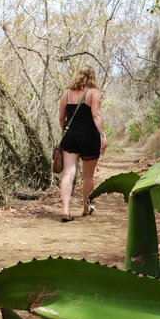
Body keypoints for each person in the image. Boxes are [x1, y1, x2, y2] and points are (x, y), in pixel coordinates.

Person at [57, 66, 107, 222]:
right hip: (89, 138)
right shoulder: (93, 93)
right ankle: (86, 206)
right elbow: (96, 115)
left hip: (71, 136)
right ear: (92, 77)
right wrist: (103, 134)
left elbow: (61, 118)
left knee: (68, 173)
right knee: (88, 176)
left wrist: (68, 132)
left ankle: (65, 210)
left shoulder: (67, 93)